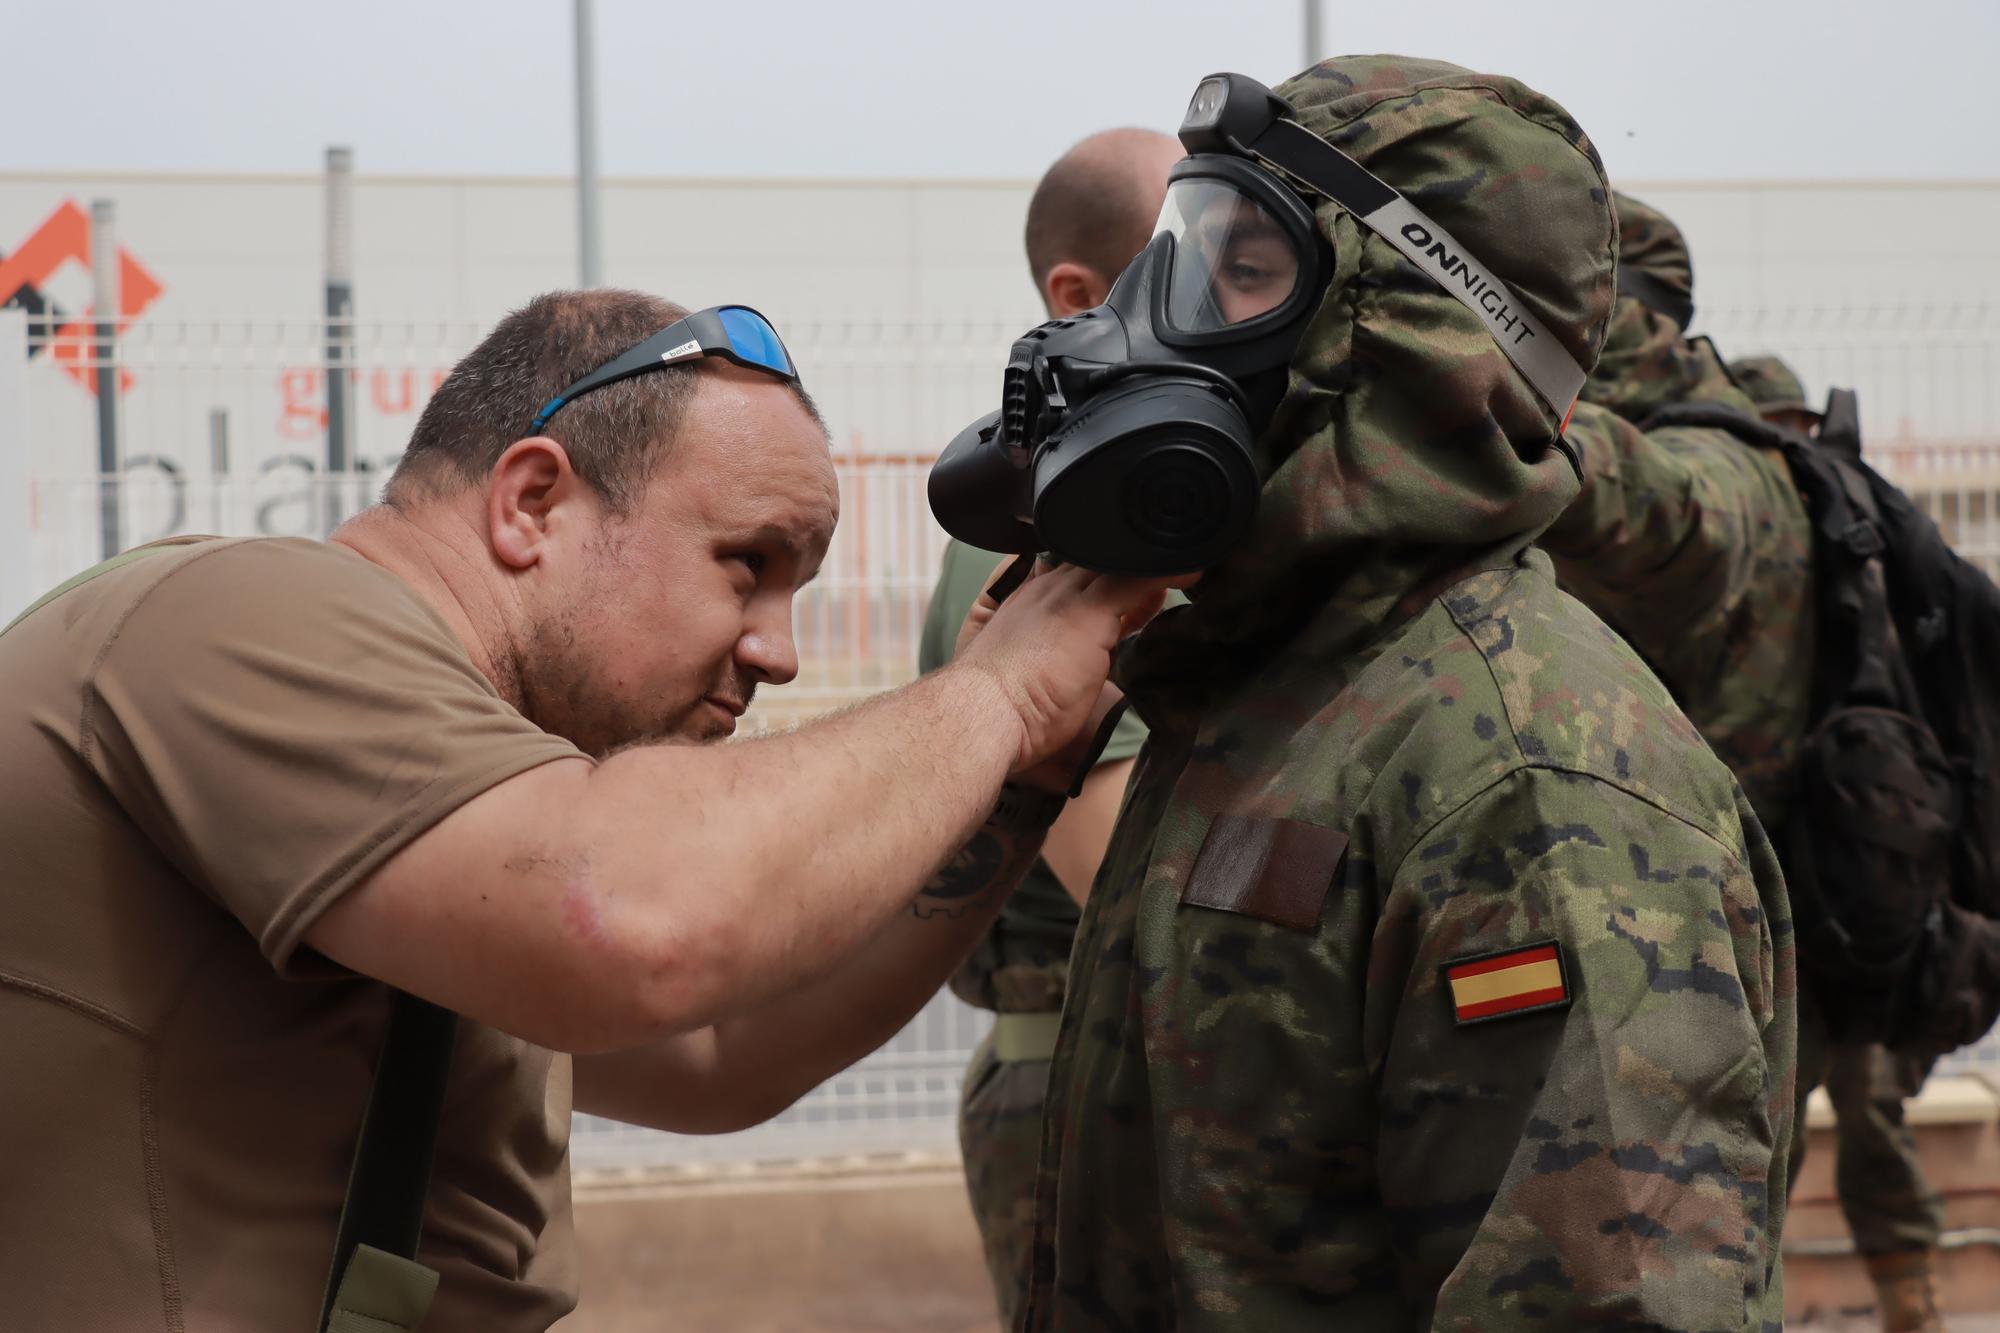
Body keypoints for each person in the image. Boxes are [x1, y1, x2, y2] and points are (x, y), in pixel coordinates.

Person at [0, 289, 1175, 1332]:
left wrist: (1021, 776)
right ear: (531, 503)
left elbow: (722, 1054)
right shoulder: (241, 616)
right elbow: (635, 921)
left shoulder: (470, 803)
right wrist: (999, 693)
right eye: (744, 563)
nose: (778, 651)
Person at [1020, 57, 1796, 1329]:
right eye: (1183, 250)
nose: (1161, 314)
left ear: (1398, 335)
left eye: (1245, 269)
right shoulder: (1269, 700)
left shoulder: (1523, 783)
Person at [1545, 202, 1945, 1330]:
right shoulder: (1791, 477)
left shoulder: (1716, 472)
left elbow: (1654, 513)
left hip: (1717, 925)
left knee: (1700, 1238)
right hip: (1792, 899)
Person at [920, 125, 1182, 1327]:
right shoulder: (1057, 529)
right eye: (1203, 261)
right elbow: (1137, 888)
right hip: (1099, 1092)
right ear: (1076, 297)